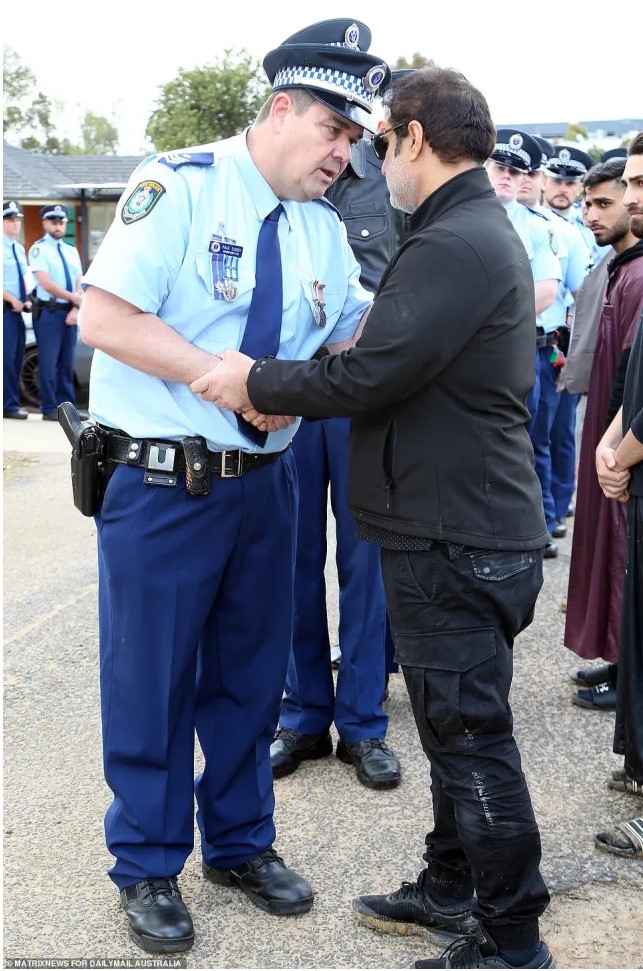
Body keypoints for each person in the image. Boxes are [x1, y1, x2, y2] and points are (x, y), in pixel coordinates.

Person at [198, 66, 556, 971]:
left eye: (379, 140)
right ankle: (447, 885)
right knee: (452, 725)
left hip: (455, 534)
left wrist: (257, 380)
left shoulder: (450, 241)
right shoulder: (463, 228)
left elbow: (371, 372)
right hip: (463, 523)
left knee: (471, 741)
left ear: (412, 138)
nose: (367, 160)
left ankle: (510, 934)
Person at [77, 18, 390, 954]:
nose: (344, 153)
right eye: (334, 129)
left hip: (266, 485)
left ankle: (241, 842)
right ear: (282, 107)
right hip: (166, 484)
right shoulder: (178, 187)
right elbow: (103, 316)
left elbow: (350, 337)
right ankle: (146, 862)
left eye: (356, 140)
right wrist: (220, 372)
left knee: (251, 679)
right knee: (153, 682)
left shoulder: (320, 228)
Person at [271, 133, 404, 789]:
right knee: (291, 559)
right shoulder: (283, 186)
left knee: (365, 563)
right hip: (290, 395)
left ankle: (362, 724)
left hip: (361, 395)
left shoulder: (395, 180)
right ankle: (301, 717)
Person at [564, 158, 643, 711]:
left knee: (622, 548)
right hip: (606, 425)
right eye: (586, 204)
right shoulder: (615, 267)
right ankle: (617, 658)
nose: (591, 214)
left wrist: (618, 445)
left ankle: (627, 669)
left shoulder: (637, 274)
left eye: (604, 203)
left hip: (625, 437)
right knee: (603, 544)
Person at [484, 129, 562, 558]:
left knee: (525, 443)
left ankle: (529, 530)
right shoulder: (455, 211)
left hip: (516, 347)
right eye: (500, 167)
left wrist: (486, 324)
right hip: (464, 352)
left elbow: (546, 291)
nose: (507, 178)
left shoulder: (535, 228)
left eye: (516, 172)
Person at [515, 139, 592, 544]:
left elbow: (584, 299)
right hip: (507, 346)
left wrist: (576, 353)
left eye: (527, 172)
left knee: (550, 436)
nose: (559, 187)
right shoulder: (501, 222)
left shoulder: (566, 234)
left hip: (551, 348)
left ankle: (552, 511)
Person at [28, 204, 83, 420]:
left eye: (61, 222)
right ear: (45, 224)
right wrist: (74, 300)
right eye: (54, 222)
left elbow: (80, 281)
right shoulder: (39, 249)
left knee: (67, 364)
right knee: (49, 364)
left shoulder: (71, 250)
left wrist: (76, 307)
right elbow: (46, 283)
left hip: (70, 313)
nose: (58, 225)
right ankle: (49, 408)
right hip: (49, 313)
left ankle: (67, 410)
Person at [544, 146, 609, 265]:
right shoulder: (531, 221)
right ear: (544, 181)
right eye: (557, 182)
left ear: (580, 187)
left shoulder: (591, 226)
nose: (563, 189)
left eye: (570, 183)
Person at [3, 200, 30, 419]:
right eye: (10, 219)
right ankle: (8, 405)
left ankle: (10, 403)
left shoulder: (19, 249)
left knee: (15, 358)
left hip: (17, 310)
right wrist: (12, 299)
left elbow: (24, 279)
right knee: (6, 359)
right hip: (5, 308)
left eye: (17, 220)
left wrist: (26, 299)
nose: (15, 224)